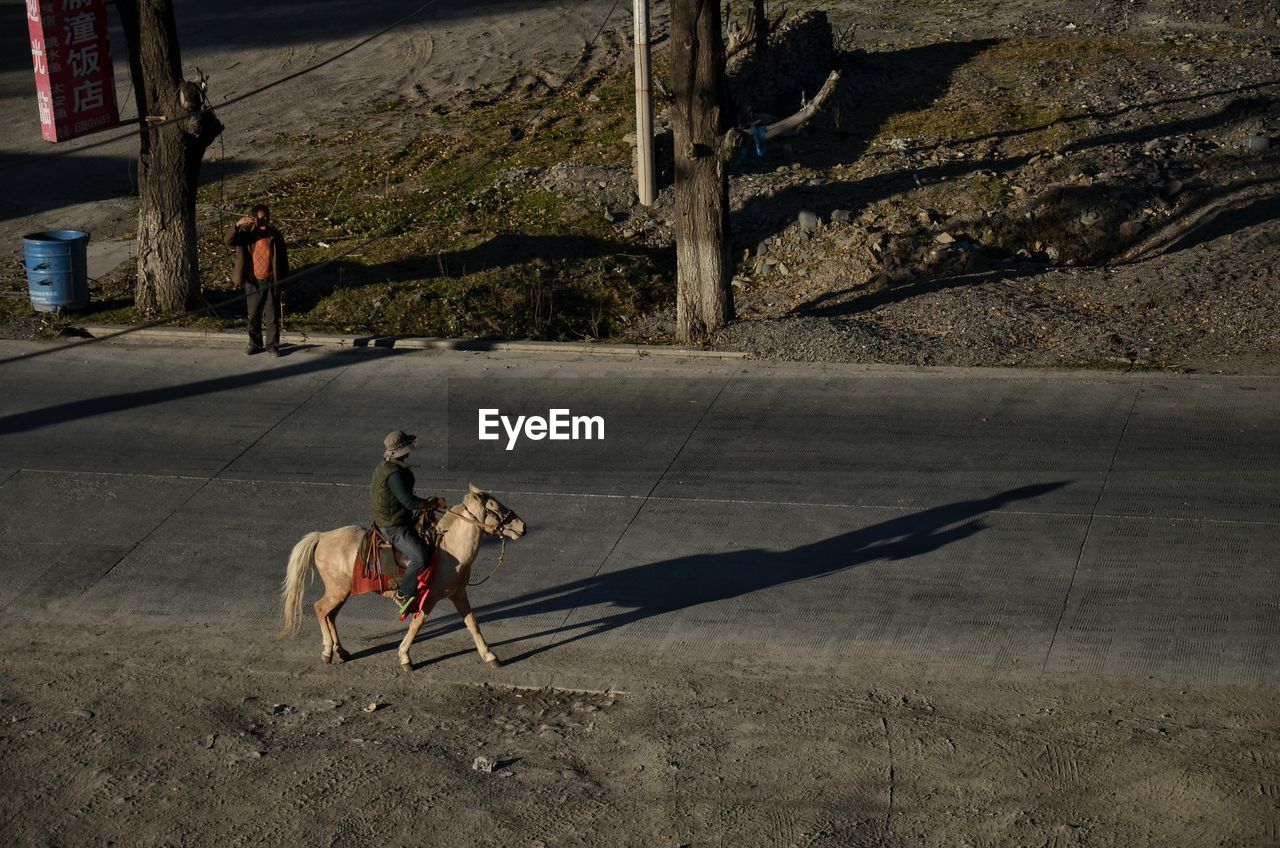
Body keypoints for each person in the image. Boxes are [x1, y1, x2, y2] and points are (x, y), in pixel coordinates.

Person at [371, 430, 446, 616]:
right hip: (393, 526)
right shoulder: (393, 474)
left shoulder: (388, 466)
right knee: (420, 556)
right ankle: (403, 593)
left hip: (398, 517)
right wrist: (432, 504)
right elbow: (409, 502)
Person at [225, 204, 289, 356]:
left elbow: (283, 260)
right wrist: (237, 225)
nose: (264, 221)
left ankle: (272, 346)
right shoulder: (247, 234)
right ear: (254, 219)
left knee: (272, 316)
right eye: (260, 218)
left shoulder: (275, 235)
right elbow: (228, 241)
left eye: (266, 217)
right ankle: (255, 344)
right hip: (253, 281)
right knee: (253, 315)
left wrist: (283, 282)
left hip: (271, 280)